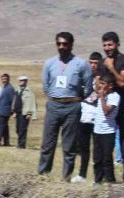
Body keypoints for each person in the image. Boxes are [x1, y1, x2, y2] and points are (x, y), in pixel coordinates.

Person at [38, 32, 92, 180]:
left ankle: (66, 178)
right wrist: (55, 96)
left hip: (72, 107)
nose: (62, 47)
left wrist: (78, 98)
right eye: (59, 44)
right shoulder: (49, 63)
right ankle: (43, 175)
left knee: (69, 146)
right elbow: (45, 84)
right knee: (47, 143)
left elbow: (88, 85)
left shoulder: (81, 64)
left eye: (65, 44)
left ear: (71, 45)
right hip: (54, 105)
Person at [101, 31, 124, 182]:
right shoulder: (103, 62)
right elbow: (100, 84)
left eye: (110, 44)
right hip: (109, 107)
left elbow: (122, 82)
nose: (107, 48)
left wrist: (111, 67)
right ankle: (108, 178)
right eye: (104, 45)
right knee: (106, 144)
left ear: (117, 45)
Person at [72, 53, 102, 182]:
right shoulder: (84, 77)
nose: (93, 65)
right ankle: (82, 175)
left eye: (95, 63)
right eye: (90, 62)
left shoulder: (103, 79)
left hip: (98, 117)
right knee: (83, 147)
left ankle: (97, 178)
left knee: (97, 149)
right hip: (84, 116)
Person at [92, 74, 120, 184]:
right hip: (97, 131)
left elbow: (106, 111)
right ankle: (97, 181)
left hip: (108, 132)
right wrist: (98, 80)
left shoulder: (114, 96)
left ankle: (110, 181)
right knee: (97, 158)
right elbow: (94, 88)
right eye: (101, 83)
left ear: (110, 86)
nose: (101, 86)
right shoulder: (100, 93)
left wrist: (102, 97)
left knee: (107, 159)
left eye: (104, 84)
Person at [14, 75, 37, 148]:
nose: (20, 82)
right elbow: (15, 101)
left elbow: (32, 103)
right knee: (17, 129)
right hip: (18, 112)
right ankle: (20, 142)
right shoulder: (17, 90)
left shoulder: (29, 92)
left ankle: (21, 144)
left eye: (22, 81)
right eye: (19, 81)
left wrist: (30, 113)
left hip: (25, 113)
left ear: (25, 82)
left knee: (22, 129)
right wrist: (14, 111)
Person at [0, 73, 14, 146]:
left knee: (0, 127)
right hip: (2, 110)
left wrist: (11, 110)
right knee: (5, 127)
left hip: (5, 111)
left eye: (5, 79)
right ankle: (6, 142)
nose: (4, 80)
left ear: (8, 79)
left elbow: (12, 100)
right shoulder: (5, 87)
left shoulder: (9, 88)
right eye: (3, 79)